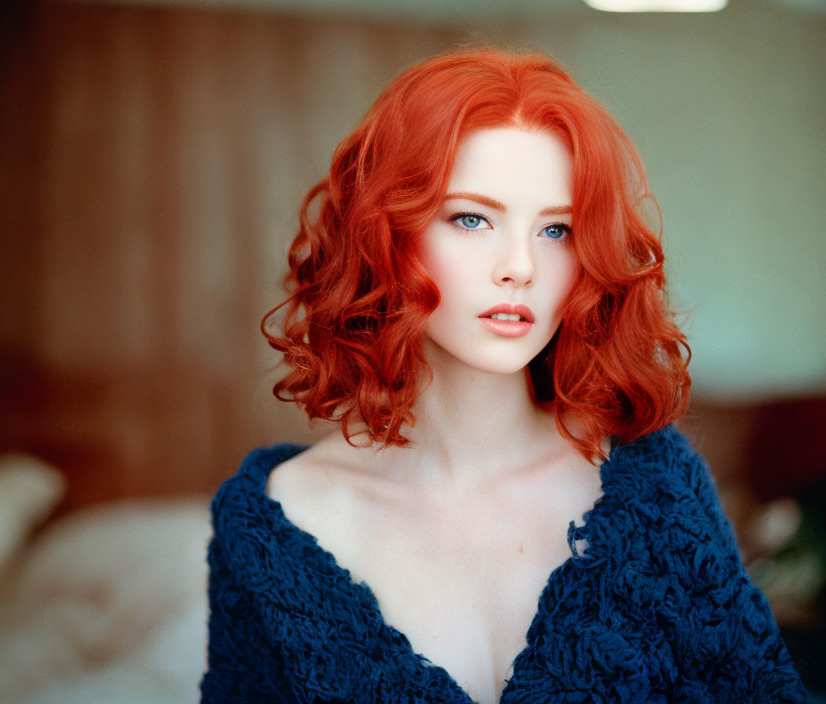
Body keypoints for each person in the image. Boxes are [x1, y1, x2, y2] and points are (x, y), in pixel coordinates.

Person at [200, 48, 806, 703]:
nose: (520, 266)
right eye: (471, 218)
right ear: (385, 234)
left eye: (557, 230)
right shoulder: (276, 522)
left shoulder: (654, 484)